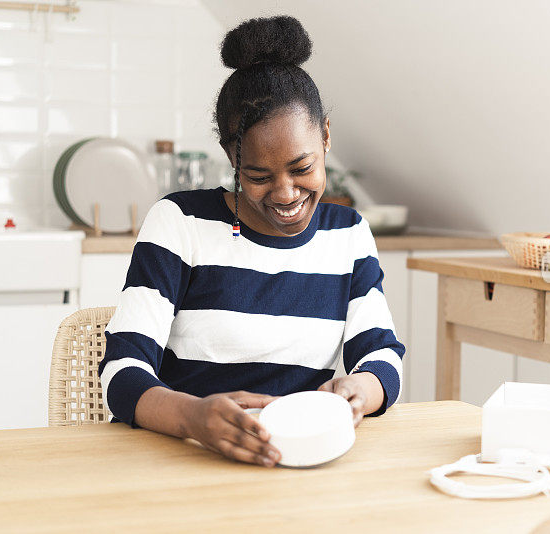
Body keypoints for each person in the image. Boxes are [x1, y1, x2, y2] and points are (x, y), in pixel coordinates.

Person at [98, 15, 405, 468]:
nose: (285, 194)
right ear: (231, 157)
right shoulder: (181, 220)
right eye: (258, 177)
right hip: (182, 459)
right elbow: (121, 373)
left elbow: (381, 355)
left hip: (296, 461)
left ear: (325, 135)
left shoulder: (348, 233)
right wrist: (192, 418)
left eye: (302, 168)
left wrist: (360, 391)